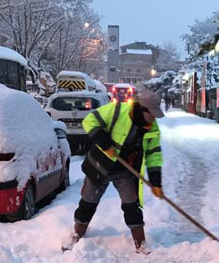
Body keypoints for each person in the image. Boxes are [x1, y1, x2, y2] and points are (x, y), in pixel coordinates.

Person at [62, 85, 165, 253]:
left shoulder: (152, 129)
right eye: (151, 116)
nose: (153, 121)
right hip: (100, 165)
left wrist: (156, 182)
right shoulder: (117, 110)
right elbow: (89, 121)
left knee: (131, 205)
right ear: (142, 109)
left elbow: (154, 156)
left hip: (125, 171)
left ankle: (140, 243)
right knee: (88, 201)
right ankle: (76, 234)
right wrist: (105, 142)